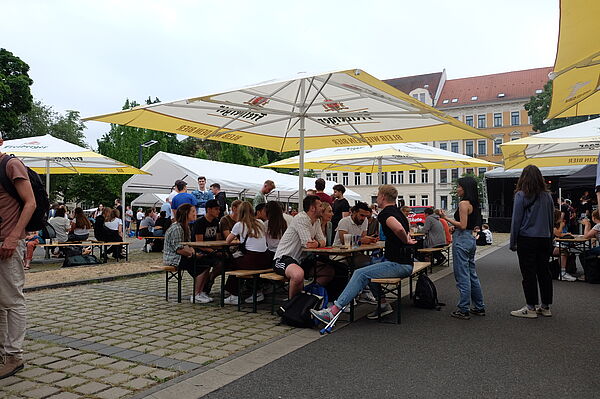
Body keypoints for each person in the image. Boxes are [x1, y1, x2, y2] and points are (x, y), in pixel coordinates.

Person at [311, 184, 417, 323]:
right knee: (369, 263)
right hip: (404, 262)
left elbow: (398, 229)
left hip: (398, 264)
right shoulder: (399, 213)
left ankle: (332, 312)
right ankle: (383, 303)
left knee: (360, 273)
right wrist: (406, 238)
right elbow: (401, 229)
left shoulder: (386, 213)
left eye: (378, 195)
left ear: (383, 197)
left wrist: (405, 240)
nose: (377, 198)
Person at [0, 135, 36, 379]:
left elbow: (30, 202)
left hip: (9, 244)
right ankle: (3, 351)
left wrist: (14, 237)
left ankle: (14, 355)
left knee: (12, 299)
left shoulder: (11, 165)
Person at [509, 165, 555, 318]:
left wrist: (513, 241)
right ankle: (546, 306)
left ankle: (530, 308)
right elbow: (551, 219)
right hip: (545, 238)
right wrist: (551, 238)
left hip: (527, 238)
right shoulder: (547, 196)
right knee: (544, 272)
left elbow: (516, 220)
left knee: (528, 273)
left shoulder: (521, 195)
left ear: (523, 178)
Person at [440, 176, 485, 320]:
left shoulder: (463, 204)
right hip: (470, 239)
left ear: (465, 188)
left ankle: (463, 308)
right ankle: (479, 306)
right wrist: (456, 227)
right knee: (472, 273)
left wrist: (445, 218)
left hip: (462, 240)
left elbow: (463, 224)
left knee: (462, 275)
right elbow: (469, 225)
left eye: (459, 186)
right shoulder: (474, 204)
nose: (457, 189)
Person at [272, 195, 332, 298]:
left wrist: (317, 243)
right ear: (312, 208)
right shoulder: (301, 218)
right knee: (298, 275)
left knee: (329, 271)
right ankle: (292, 306)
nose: (323, 208)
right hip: (283, 258)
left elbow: (323, 241)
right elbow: (308, 244)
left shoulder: (316, 221)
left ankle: (309, 296)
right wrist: (317, 243)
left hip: (301, 260)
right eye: (320, 205)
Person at [224, 201, 271, 304]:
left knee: (233, 263)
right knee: (241, 263)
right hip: (265, 259)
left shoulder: (239, 225)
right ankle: (257, 292)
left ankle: (234, 294)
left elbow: (227, 241)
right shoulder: (260, 222)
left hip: (252, 259)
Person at [163, 203, 211, 303]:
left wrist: (193, 253)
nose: (195, 213)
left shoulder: (186, 226)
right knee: (202, 266)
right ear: (186, 214)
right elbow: (179, 249)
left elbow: (188, 245)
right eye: (193, 211)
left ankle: (200, 292)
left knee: (206, 263)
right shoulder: (177, 228)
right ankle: (196, 294)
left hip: (181, 256)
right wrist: (193, 255)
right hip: (174, 258)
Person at [191, 199, 225, 300]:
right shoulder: (199, 222)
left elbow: (218, 240)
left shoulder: (216, 221)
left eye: (219, 209)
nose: (218, 211)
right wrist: (213, 251)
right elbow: (199, 243)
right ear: (208, 209)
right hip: (200, 251)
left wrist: (219, 250)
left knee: (226, 261)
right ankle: (204, 286)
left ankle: (210, 278)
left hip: (211, 250)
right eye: (216, 209)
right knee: (217, 263)